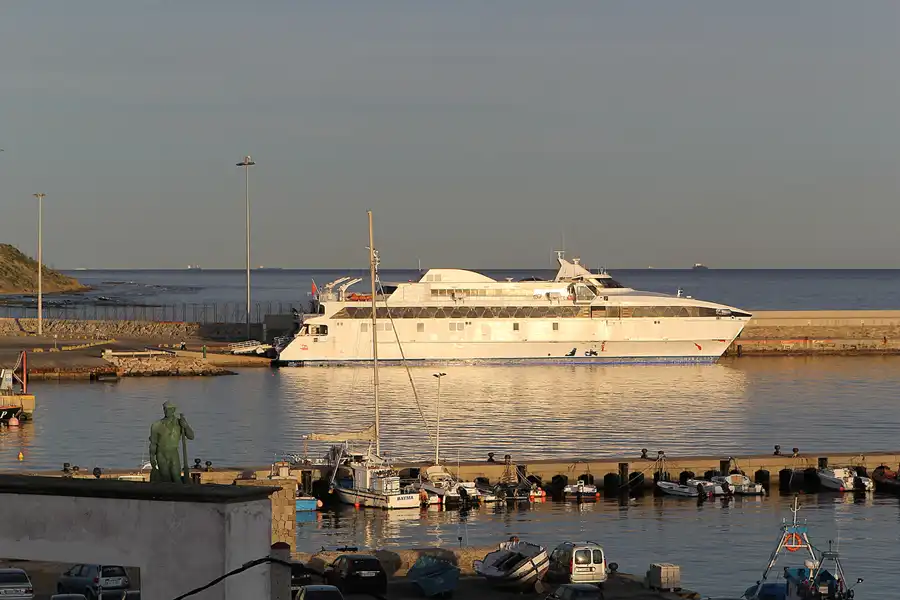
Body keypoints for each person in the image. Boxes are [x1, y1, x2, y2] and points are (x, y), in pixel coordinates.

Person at [149, 401, 195, 483]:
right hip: (161, 454)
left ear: (174, 410)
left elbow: (191, 436)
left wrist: (186, 426)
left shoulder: (179, 423)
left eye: (169, 409)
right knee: (165, 477)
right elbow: (153, 443)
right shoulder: (156, 425)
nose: (167, 411)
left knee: (176, 476)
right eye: (165, 409)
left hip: (173, 453)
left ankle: (180, 490)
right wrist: (152, 457)